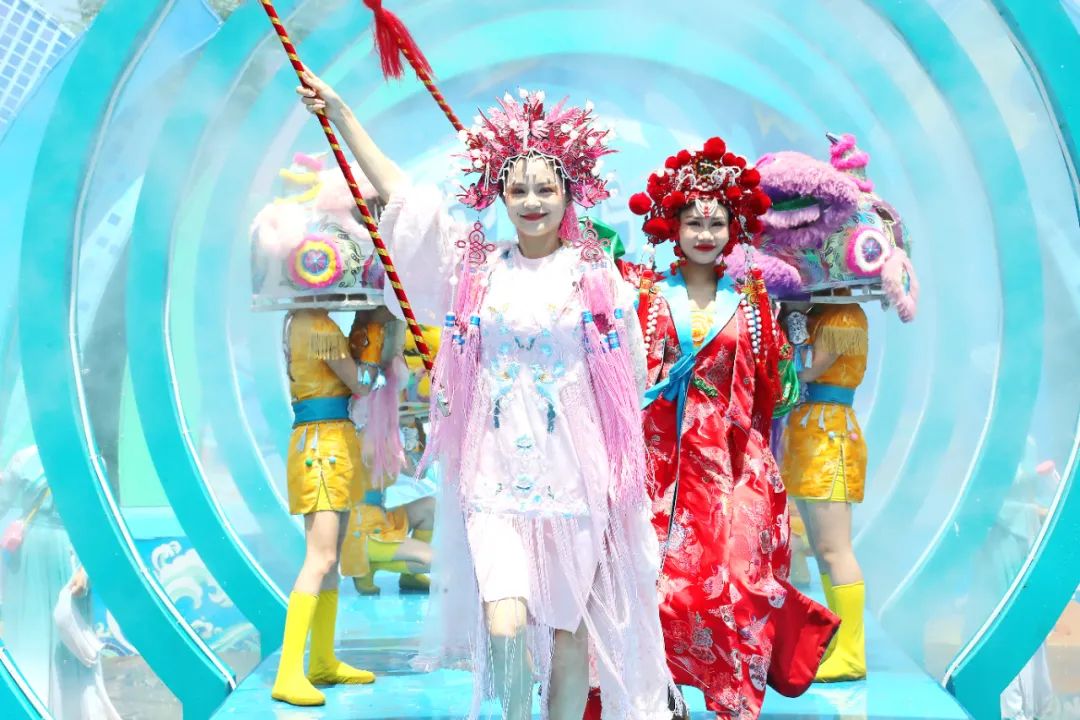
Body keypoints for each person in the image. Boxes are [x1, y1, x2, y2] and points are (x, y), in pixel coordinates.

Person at [298, 74, 674, 719]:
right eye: (517, 188)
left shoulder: (595, 277)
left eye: (545, 188)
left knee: (568, 634)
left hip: (576, 479)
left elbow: (628, 383)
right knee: (505, 622)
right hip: (492, 475)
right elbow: (405, 200)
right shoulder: (473, 268)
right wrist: (340, 111)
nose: (531, 201)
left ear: (568, 192)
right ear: (498, 193)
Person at [594, 138, 837, 718]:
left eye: (716, 222)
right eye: (694, 222)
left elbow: (771, 393)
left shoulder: (753, 302)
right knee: (655, 583)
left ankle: (734, 702)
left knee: (739, 580)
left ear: (733, 228)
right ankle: (660, 692)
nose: (704, 233)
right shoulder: (644, 294)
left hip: (732, 463)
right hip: (658, 466)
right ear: (672, 226)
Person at [754, 133, 919, 683]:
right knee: (813, 547)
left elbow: (801, 370)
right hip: (802, 435)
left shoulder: (844, 317)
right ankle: (828, 644)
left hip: (827, 437)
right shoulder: (816, 312)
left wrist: (787, 329)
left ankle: (850, 651)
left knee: (832, 546)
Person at [0, 446, 119, 719]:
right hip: (27, 555)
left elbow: (99, 519)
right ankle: (26, 706)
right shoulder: (25, 458)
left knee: (66, 637)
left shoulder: (90, 457)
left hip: (70, 554)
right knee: (26, 636)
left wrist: (87, 569)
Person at [340, 310, 435, 596]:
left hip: (381, 518)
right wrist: (401, 424)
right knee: (434, 560)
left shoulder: (388, 416)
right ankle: (369, 563)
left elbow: (418, 471)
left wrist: (412, 427)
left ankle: (407, 577)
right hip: (361, 528)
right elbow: (380, 460)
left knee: (430, 507)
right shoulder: (360, 417)